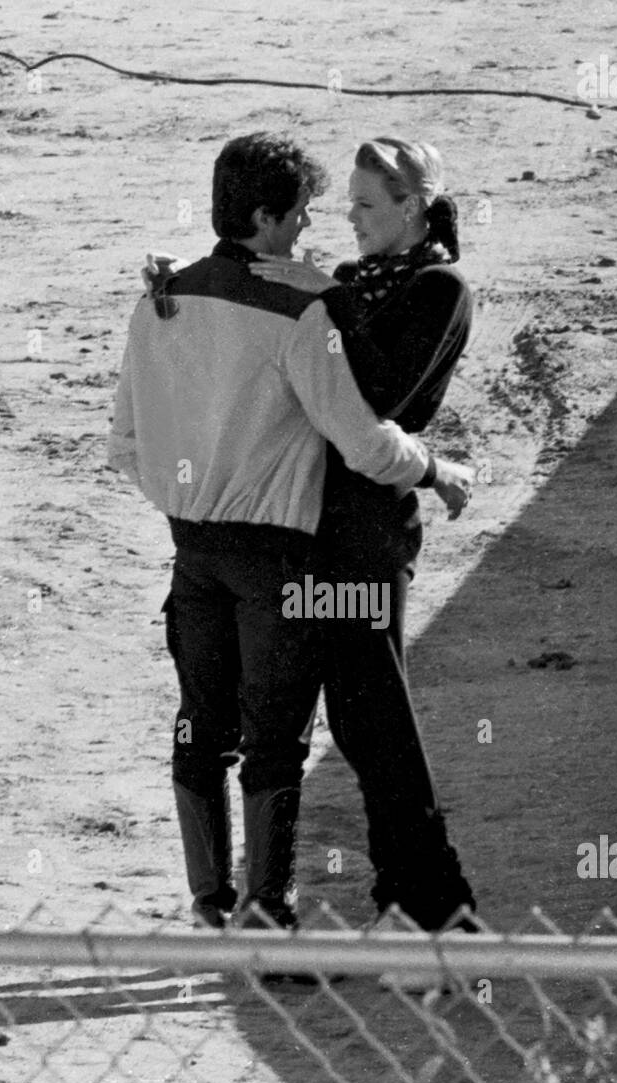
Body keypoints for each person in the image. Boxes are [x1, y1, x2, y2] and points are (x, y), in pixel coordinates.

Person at [107, 132, 473, 931]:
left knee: (225, 726)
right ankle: (271, 917)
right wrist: (440, 471)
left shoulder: (164, 299)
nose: (321, 226)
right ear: (266, 216)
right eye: (306, 213)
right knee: (283, 738)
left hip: (218, 550)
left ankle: (228, 908)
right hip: (281, 553)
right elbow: (363, 439)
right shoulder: (305, 302)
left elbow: (123, 446)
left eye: (355, 206)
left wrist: (191, 501)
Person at [247, 137, 477, 933]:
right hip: (317, 519)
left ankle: (437, 903)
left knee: (375, 713)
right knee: (357, 715)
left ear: (413, 208)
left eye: (368, 205)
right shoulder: (351, 281)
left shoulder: (440, 288)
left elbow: (381, 388)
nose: (350, 218)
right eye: (347, 202)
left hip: (371, 525)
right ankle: (409, 901)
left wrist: (327, 300)